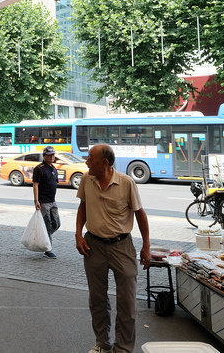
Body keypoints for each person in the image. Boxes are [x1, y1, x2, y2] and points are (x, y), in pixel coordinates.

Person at [76, 144, 151, 353]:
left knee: (127, 302)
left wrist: (146, 246)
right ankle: (102, 343)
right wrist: (78, 234)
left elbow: (140, 214)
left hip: (122, 246)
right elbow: (82, 207)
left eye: (90, 158)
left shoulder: (126, 183)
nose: (86, 162)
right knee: (97, 299)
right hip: (93, 245)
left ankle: (123, 349)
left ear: (105, 163)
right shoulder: (86, 180)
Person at [32, 145, 60, 259]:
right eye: (49, 155)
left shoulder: (53, 168)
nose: (51, 157)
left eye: (53, 155)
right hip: (43, 201)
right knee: (47, 225)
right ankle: (48, 249)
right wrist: (36, 200)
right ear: (44, 156)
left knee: (56, 224)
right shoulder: (39, 168)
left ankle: (43, 237)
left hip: (52, 201)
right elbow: (35, 185)